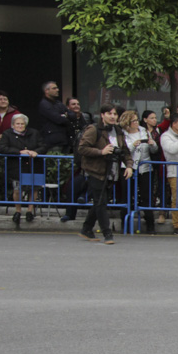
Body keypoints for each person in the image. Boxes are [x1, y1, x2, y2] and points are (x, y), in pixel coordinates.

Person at [76, 104, 134, 245]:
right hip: (95, 171)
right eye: (109, 114)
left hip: (111, 171)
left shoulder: (118, 130)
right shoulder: (94, 129)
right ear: (102, 115)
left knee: (100, 201)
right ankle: (107, 233)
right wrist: (100, 152)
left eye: (115, 114)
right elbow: (82, 148)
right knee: (101, 202)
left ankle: (86, 228)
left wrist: (129, 166)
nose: (113, 116)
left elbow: (125, 151)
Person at [0, 114, 45, 224]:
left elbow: (43, 146)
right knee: (17, 189)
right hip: (16, 166)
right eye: (17, 124)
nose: (20, 126)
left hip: (33, 165)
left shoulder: (34, 133)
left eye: (22, 124)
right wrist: (19, 152)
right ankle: (18, 211)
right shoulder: (7, 134)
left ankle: (30, 211)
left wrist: (36, 152)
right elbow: (2, 148)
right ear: (13, 125)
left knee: (34, 189)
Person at [122, 110, 159, 233]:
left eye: (137, 120)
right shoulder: (123, 134)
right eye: (133, 121)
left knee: (146, 197)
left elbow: (153, 150)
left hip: (145, 167)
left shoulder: (144, 131)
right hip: (129, 167)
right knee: (127, 196)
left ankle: (150, 224)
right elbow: (124, 151)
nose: (136, 123)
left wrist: (152, 144)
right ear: (128, 123)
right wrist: (133, 145)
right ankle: (125, 224)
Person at [38, 81, 70, 153]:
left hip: (64, 139)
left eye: (57, 88)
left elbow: (72, 114)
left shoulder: (58, 103)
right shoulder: (44, 104)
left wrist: (64, 116)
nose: (57, 90)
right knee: (54, 162)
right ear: (47, 91)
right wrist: (64, 116)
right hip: (53, 142)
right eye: (54, 88)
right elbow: (58, 119)